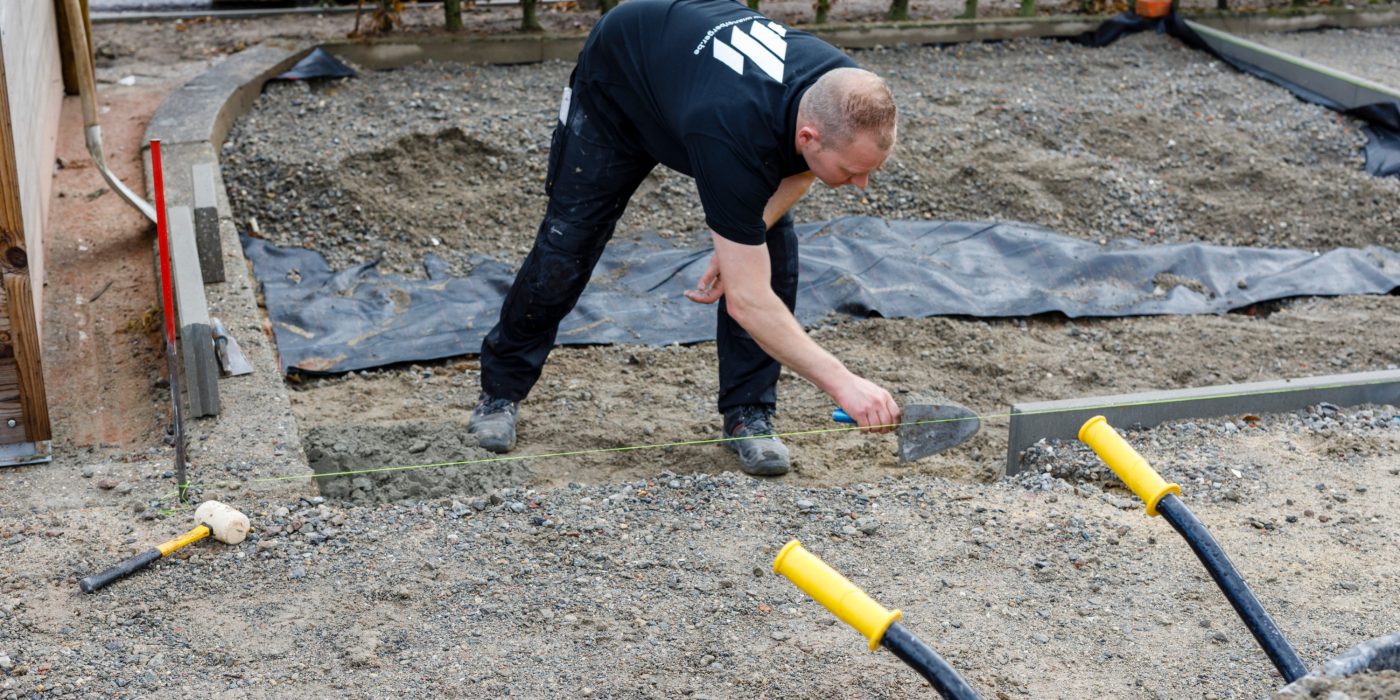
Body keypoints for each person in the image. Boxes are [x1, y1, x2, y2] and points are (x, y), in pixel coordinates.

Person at [469, 0, 901, 476]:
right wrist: (844, 385)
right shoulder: (732, 131)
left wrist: (744, 235)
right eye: (852, 172)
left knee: (770, 253)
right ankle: (500, 392)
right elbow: (748, 302)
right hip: (620, 83)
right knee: (566, 247)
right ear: (809, 136)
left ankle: (749, 415)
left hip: (694, 80)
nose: (861, 187)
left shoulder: (842, 91)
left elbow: (800, 172)